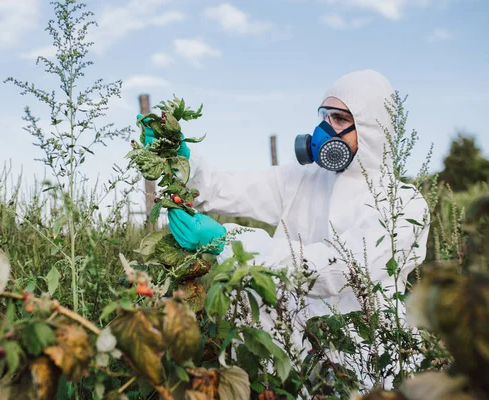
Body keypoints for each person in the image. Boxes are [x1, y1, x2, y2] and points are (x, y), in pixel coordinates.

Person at [137, 69, 430, 389]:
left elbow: (338, 269)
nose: (324, 129)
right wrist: (186, 163)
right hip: (298, 355)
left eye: (340, 120)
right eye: (324, 116)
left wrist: (230, 240)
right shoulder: (304, 179)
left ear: (373, 131)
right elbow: (232, 187)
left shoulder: (404, 206)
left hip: (368, 362)